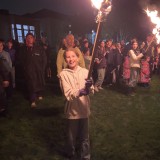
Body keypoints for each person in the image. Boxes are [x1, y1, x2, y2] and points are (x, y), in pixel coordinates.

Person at [59, 48, 93, 160]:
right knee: (71, 137)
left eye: (73, 56)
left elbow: (91, 90)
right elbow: (68, 93)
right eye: (68, 57)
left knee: (85, 137)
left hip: (84, 109)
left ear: (78, 58)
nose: (71, 59)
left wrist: (89, 87)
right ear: (65, 59)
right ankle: (71, 153)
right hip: (72, 111)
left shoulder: (85, 71)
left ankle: (85, 156)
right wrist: (80, 91)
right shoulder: (63, 74)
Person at [20, 33, 47, 107]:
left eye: (31, 38)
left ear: (33, 39)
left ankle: (39, 94)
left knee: (39, 83)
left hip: (38, 70)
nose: (29, 39)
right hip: (29, 71)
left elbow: (44, 59)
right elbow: (22, 60)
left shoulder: (39, 48)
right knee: (31, 85)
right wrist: (25, 69)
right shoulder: (23, 49)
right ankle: (33, 100)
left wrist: (42, 68)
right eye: (27, 38)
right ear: (26, 39)